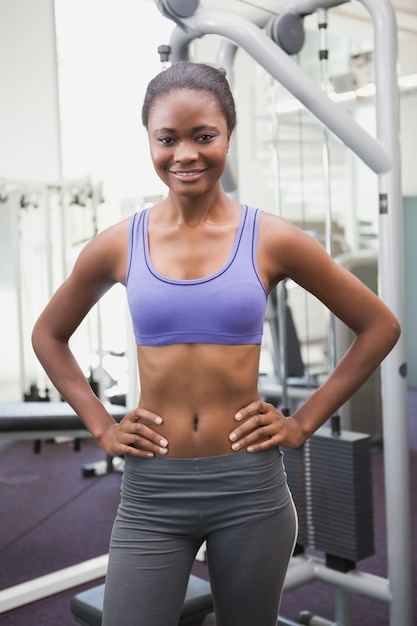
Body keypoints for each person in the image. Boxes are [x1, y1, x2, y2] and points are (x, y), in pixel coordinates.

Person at [31, 62, 400, 626]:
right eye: (168, 139)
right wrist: (102, 426)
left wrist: (301, 423)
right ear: (149, 141)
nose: (185, 154)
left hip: (249, 487)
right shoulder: (118, 244)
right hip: (153, 490)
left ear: (228, 135)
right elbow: (48, 335)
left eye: (204, 136)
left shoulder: (271, 237)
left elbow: (379, 326)